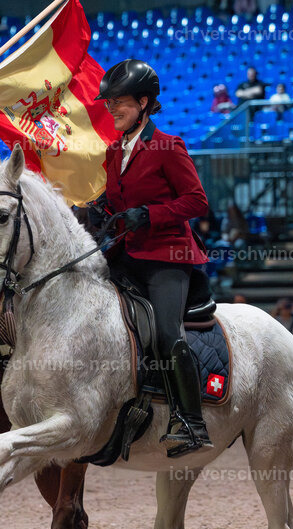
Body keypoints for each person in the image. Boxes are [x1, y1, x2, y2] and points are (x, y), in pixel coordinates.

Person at [90, 59, 212, 456]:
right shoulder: (112, 152)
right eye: (109, 104)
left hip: (166, 255)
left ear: (144, 102)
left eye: (120, 103)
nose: (112, 110)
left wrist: (151, 214)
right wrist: (98, 212)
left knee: (165, 334)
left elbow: (197, 201)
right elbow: (116, 204)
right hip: (126, 253)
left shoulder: (168, 146)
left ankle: (192, 423)